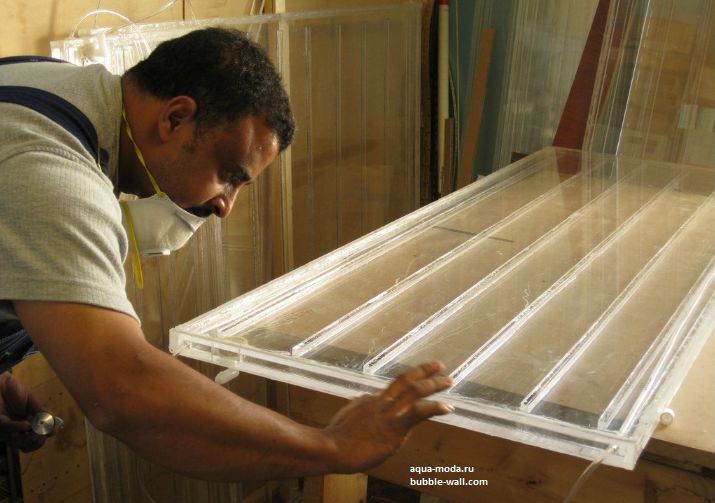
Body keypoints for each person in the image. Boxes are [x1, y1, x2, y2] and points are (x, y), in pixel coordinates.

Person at [0, 27, 453, 480]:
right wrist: (332, 446)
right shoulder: (53, 175)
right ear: (176, 118)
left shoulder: (53, 84)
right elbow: (120, 389)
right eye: (229, 174)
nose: (224, 207)